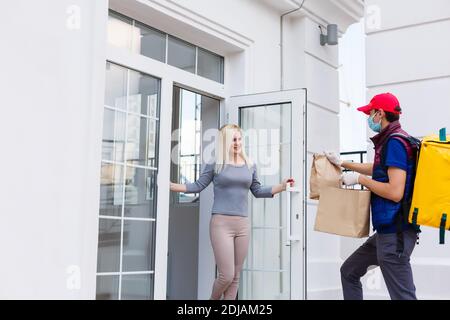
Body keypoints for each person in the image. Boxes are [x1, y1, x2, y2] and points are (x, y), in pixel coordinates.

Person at [170, 124, 294, 300]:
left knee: (235, 276)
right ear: (225, 142)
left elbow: (257, 191)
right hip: (221, 224)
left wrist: (282, 186)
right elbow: (197, 185)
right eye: (233, 140)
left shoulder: (250, 164)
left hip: (243, 224)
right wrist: (171, 186)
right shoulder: (216, 164)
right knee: (226, 275)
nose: (237, 143)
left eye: (239, 139)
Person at [325, 92, 419, 300]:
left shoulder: (394, 142)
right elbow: (377, 168)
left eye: (370, 113)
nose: (369, 118)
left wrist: (359, 179)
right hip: (388, 232)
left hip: (396, 234)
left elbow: (395, 192)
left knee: (404, 297)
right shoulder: (392, 140)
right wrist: (343, 163)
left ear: (380, 114)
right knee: (349, 271)